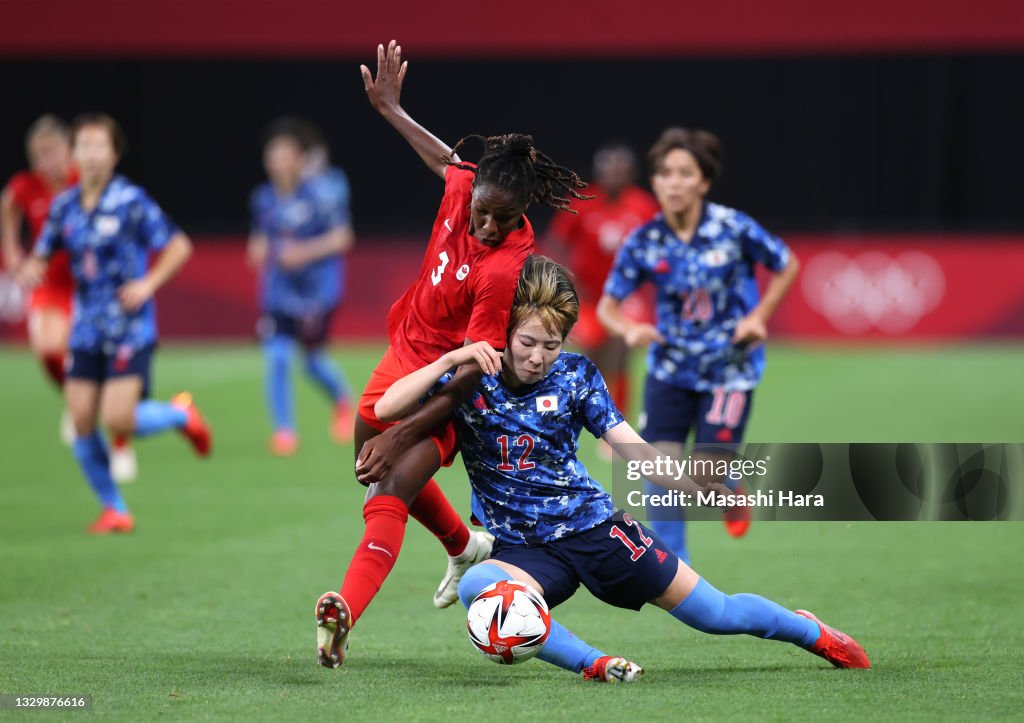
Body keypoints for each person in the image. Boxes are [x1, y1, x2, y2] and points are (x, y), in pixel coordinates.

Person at [362, 255, 867, 681]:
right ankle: (594, 663)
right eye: (527, 342)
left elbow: (636, 451)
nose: (538, 357)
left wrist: (695, 488)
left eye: (551, 344)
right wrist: (450, 357)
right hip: (526, 550)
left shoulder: (578, 376)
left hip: (598, 531)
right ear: (505, 330)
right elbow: (386, 409)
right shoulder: (471, 373)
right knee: (478, 590)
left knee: (716, 614)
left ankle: (812, 631)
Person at [313, 40, 591, 669]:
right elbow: (448, 161)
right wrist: (390, 109)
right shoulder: (467, 185)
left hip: (449, 388)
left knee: (389, 481)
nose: (487, 227)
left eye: (503, 219)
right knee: (367, 456)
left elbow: (475, 370)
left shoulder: (502, 269)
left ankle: (344, 612)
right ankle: (466, 545)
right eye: (482, 214)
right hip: (400, 354)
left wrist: (408, 429)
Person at [597, 127, 800, 561]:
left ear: (703, 182)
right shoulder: (645, 241)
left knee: (702, 477)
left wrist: (758, 317)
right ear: (653, 181)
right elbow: (606, 308)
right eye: (665, 173)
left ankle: (728, 486)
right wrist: (628, 329)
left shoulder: (733, 227)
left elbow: (786, 263)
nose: (673, 182)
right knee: (657, 472)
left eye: (684, 173)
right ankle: (677, 572)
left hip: (729, 370)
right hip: (670, 369)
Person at [18, 113, 212, 533]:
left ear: (114, 154)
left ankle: (181, 415)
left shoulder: (130, 202)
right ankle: (115, 508)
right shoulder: (65, 205)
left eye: (97, 146)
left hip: (129, 329)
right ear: (73, 154)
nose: (89, 155)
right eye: (82, 146)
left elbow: (179, 245)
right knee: (81, 420)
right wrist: (33, 266)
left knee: (119, 421)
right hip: (86, 328)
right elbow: (43, 251)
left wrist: (148, 283)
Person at [2, 115, 141, 481]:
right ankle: (78, 402)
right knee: (49, 349)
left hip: (90, 286)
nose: (45, 161)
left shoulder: (89, 185)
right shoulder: (27, 187)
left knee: (106, 374)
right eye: (38, 154)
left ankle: (119, 443)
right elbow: (10, 209)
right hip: (51, 281)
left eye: (52, 151)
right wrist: (15, 255)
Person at [247, 117, 356, 456]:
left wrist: (304, 253)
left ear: (299, 159)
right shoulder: (263, 198)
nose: (278, 162)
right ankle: (284, 431)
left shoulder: (320, 196)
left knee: (311, 361)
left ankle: (343, 399)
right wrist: (258, 248)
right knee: (277, 357)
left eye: (285, 155)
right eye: (273, 155)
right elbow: (262, 239)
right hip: (278, 292)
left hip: (315, 293)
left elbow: (342, 237)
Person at [545, 142, 659, 419]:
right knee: (591, 359)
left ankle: (619, 418)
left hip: (624, 298)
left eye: (621, 170)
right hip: (588, 296)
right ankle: (586, 412)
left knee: (620, 355)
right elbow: (557, 243)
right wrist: (566, 281)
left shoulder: (643, 206)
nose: (614, 175)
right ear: (599, 171)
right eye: (609, 169)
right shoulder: (583, 203)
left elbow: (659, 246)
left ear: (631, 173)